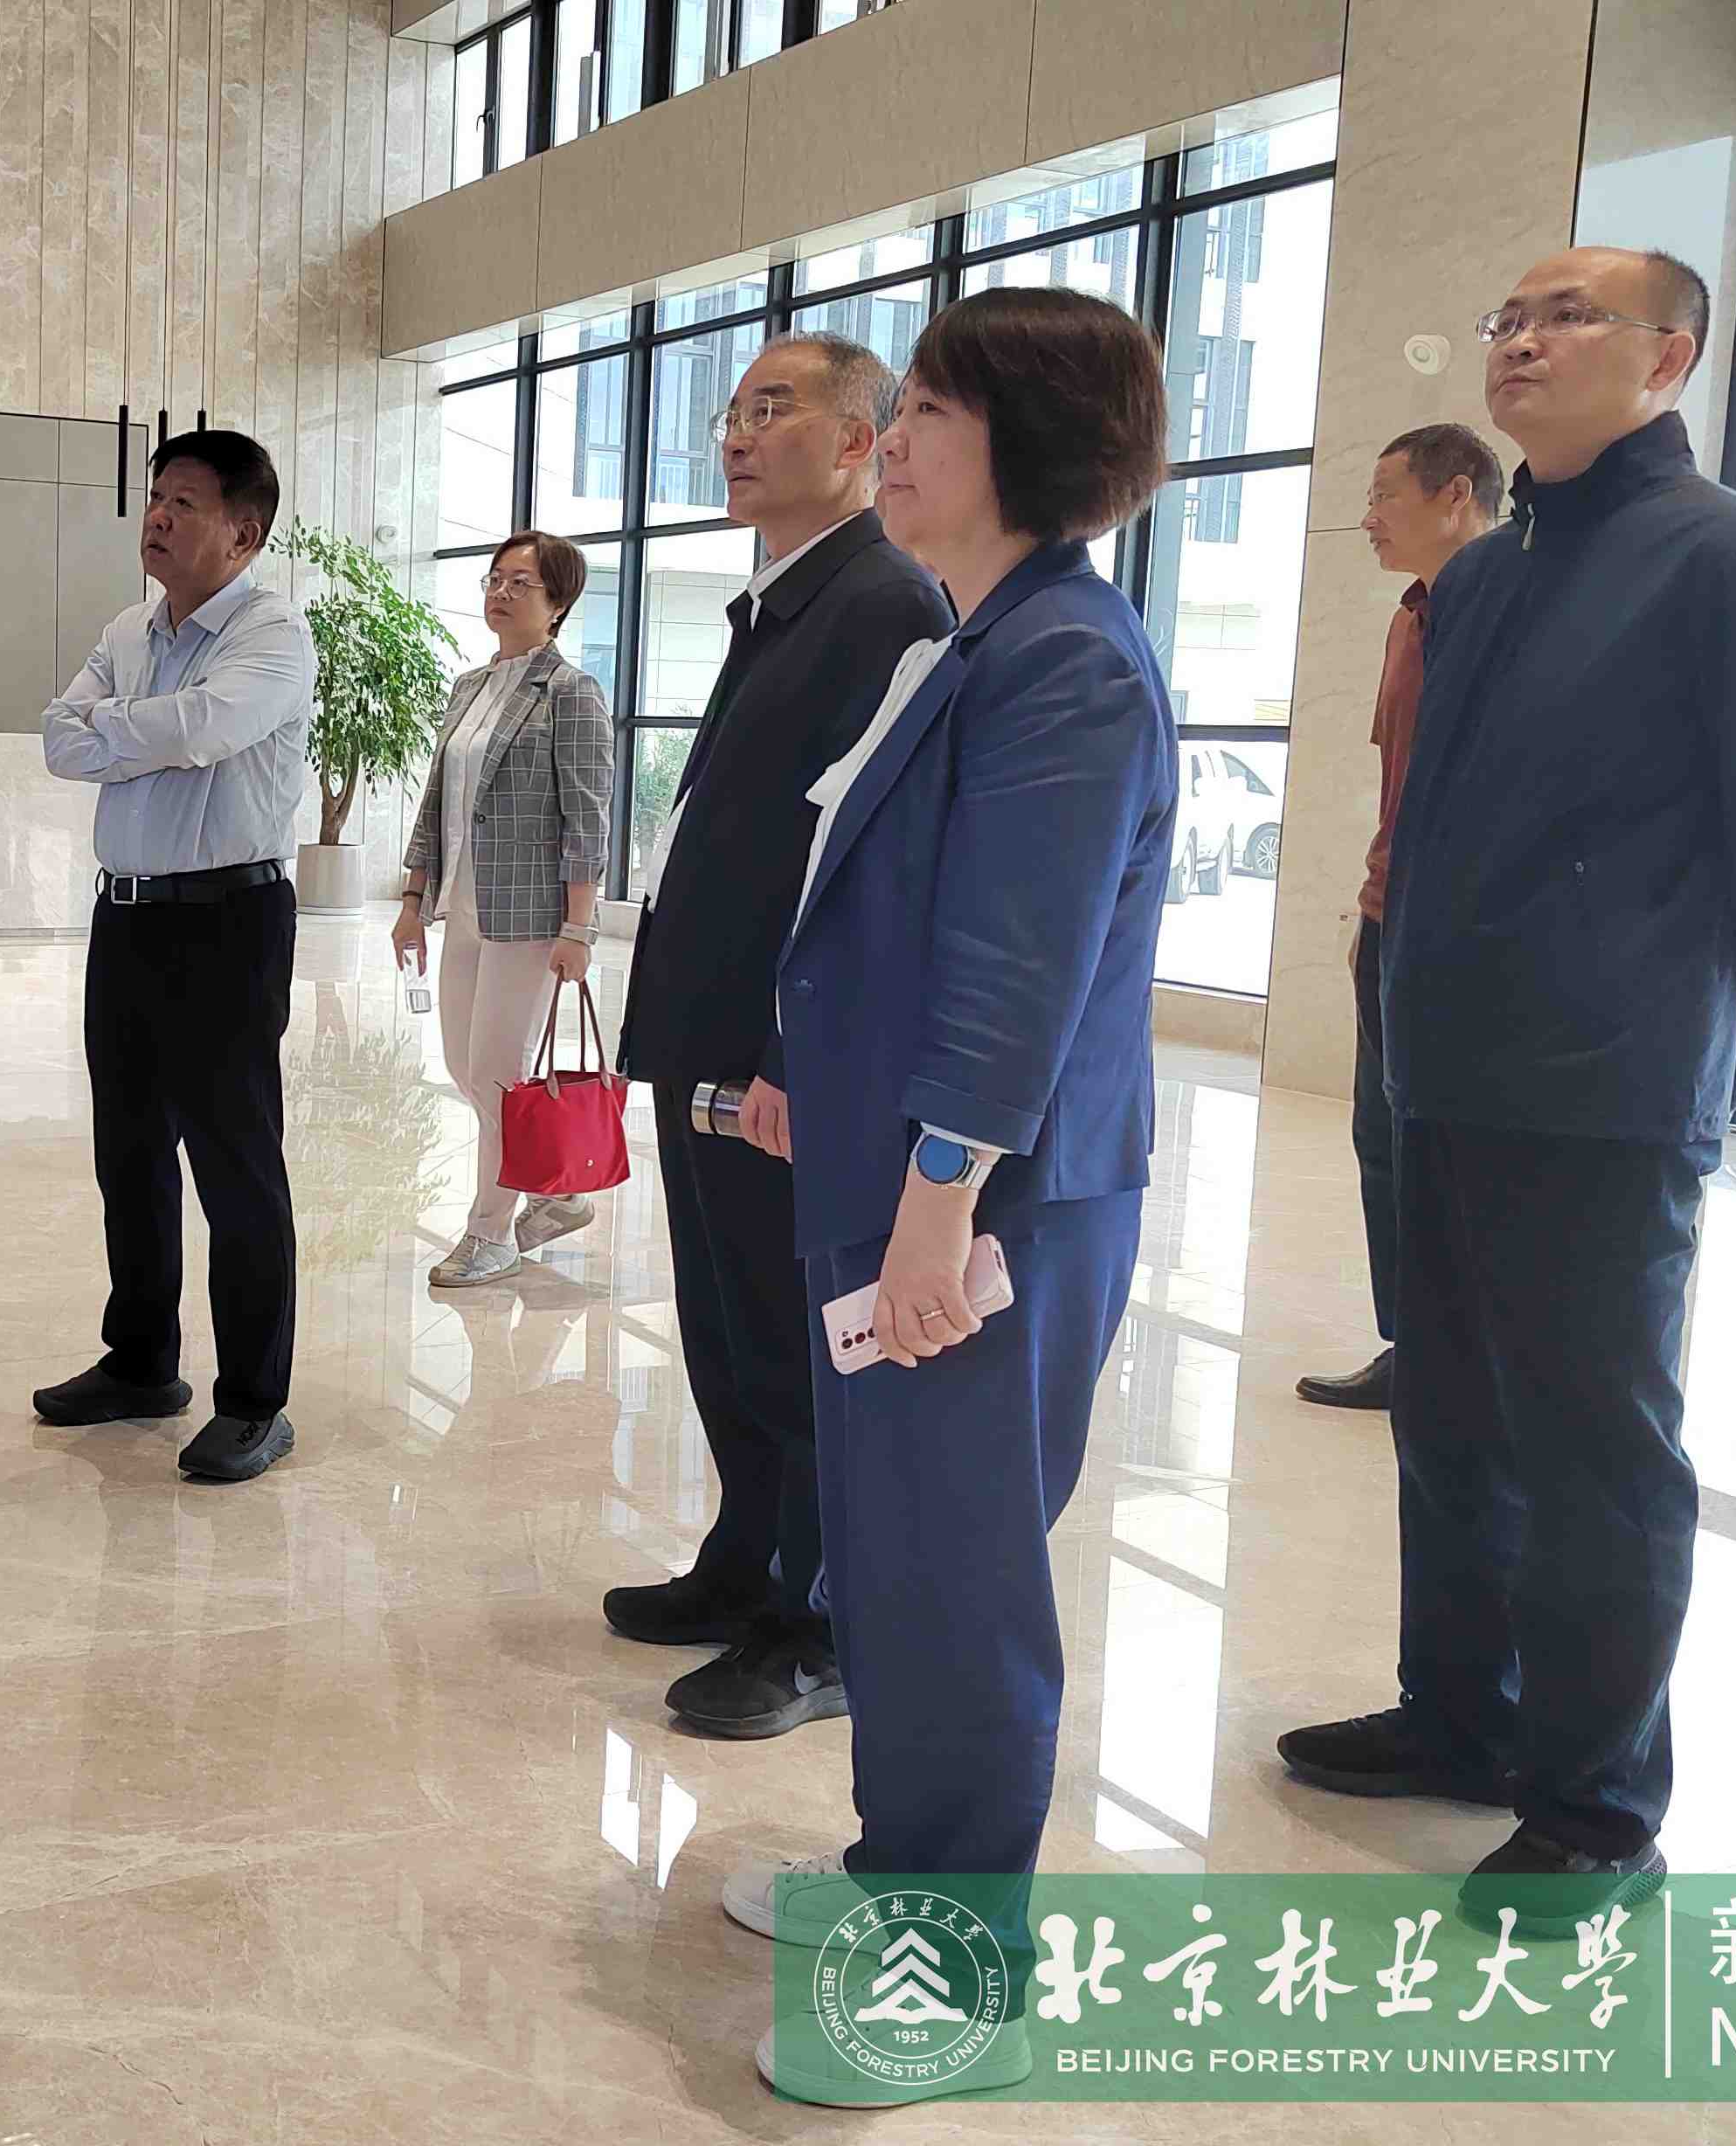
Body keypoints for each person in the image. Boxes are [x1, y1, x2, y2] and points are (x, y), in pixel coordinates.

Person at [1279, 249, 1736, 1936]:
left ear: (1667, 357)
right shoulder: (1477, 579)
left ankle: (1598, 1807)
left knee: (1594, 1451)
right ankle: (1460, 1715)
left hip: (1602, 1093)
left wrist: (1694, 1053)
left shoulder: (1735, 563)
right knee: (1449, 1418)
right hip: (1441, 1072)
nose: (1520, 341)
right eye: (1506, 319)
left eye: (1565, 318)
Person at [711, 286, 1175, 2110]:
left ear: (1030, 445)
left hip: (981, 1205)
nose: (889, 440)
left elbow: (1011, 969)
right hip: (904, 1175)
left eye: (929, 411)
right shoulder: (982, 636)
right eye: (896, 406)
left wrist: (930, 1205)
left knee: (954, 1570)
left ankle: (957, 1978)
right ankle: (900, 1863)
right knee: (893, 1555)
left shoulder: (1064, 658)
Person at [610, 331, 954, 1740]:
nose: (738, 434)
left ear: (864, 441)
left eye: (775, 408)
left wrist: (787, 1052)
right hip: (708, 1032)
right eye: (732, 413)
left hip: (778, 1056)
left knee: (796, 1337)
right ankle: (747, 1558)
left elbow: (865, 865)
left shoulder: (886, 602)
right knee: (727, 1320)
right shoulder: (783, 600)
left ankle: (818, 1624)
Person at [31, 431, 318, 1485]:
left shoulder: (274, 632)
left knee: (235, 1165)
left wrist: (122, 727)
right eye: (157, 497)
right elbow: (59, 738)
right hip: (127, 918)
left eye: (184, 502)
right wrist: (141, 729)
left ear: (242, 532)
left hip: (228, 921)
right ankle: (142, 1360)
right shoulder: (130, 628)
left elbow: (206, 727)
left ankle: (254, 1401)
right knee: (131, 1152)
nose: (156, 516)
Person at [1297, 424, 1503, 1414]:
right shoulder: (1406, 620)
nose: (1368, 517)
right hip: (1392, 918)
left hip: (1463, 935)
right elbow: (1400, 784)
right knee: (1380, 1139)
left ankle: (1468, 1358)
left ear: (1455, 495)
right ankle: (1412, 1348)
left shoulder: (1508, 614)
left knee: (1450, 1154)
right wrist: (1372, 904)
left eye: (1384, 495)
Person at [391, 530, 616, 1288]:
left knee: (496, 1075)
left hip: (531, 917)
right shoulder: (469, 687)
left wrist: (579, 927)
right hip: (463, 905)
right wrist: (413, 900)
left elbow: (588, 820)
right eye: (495, 578)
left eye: (522, 583)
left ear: (558, 604)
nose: (501, 592)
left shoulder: (572, 693)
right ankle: (557, 1194)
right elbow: (436, 803)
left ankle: (490, 1234)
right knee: (464, 1067)